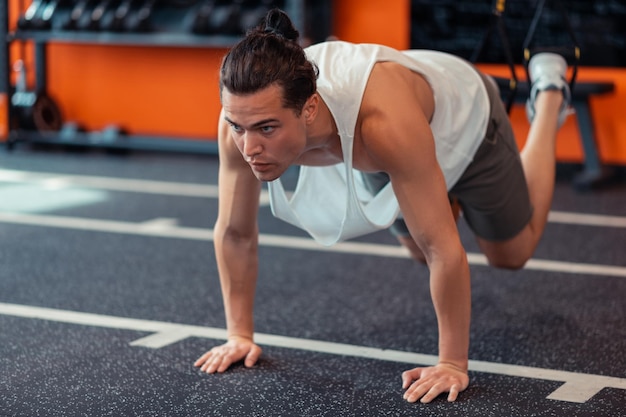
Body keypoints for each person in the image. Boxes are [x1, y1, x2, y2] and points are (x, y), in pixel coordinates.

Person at [193, 8, 572, 404]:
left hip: (464, 120)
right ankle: (436, 191)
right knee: (417, 251)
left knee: (510, 255)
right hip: (385, 142)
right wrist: (238, 335)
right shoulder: (241, 120)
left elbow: (444, 248)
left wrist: (453, 364)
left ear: (308, 109)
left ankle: (549, 99)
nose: (249, 148)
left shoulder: (382, 126)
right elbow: (235, 232)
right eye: (238, 127)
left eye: (267, 129)